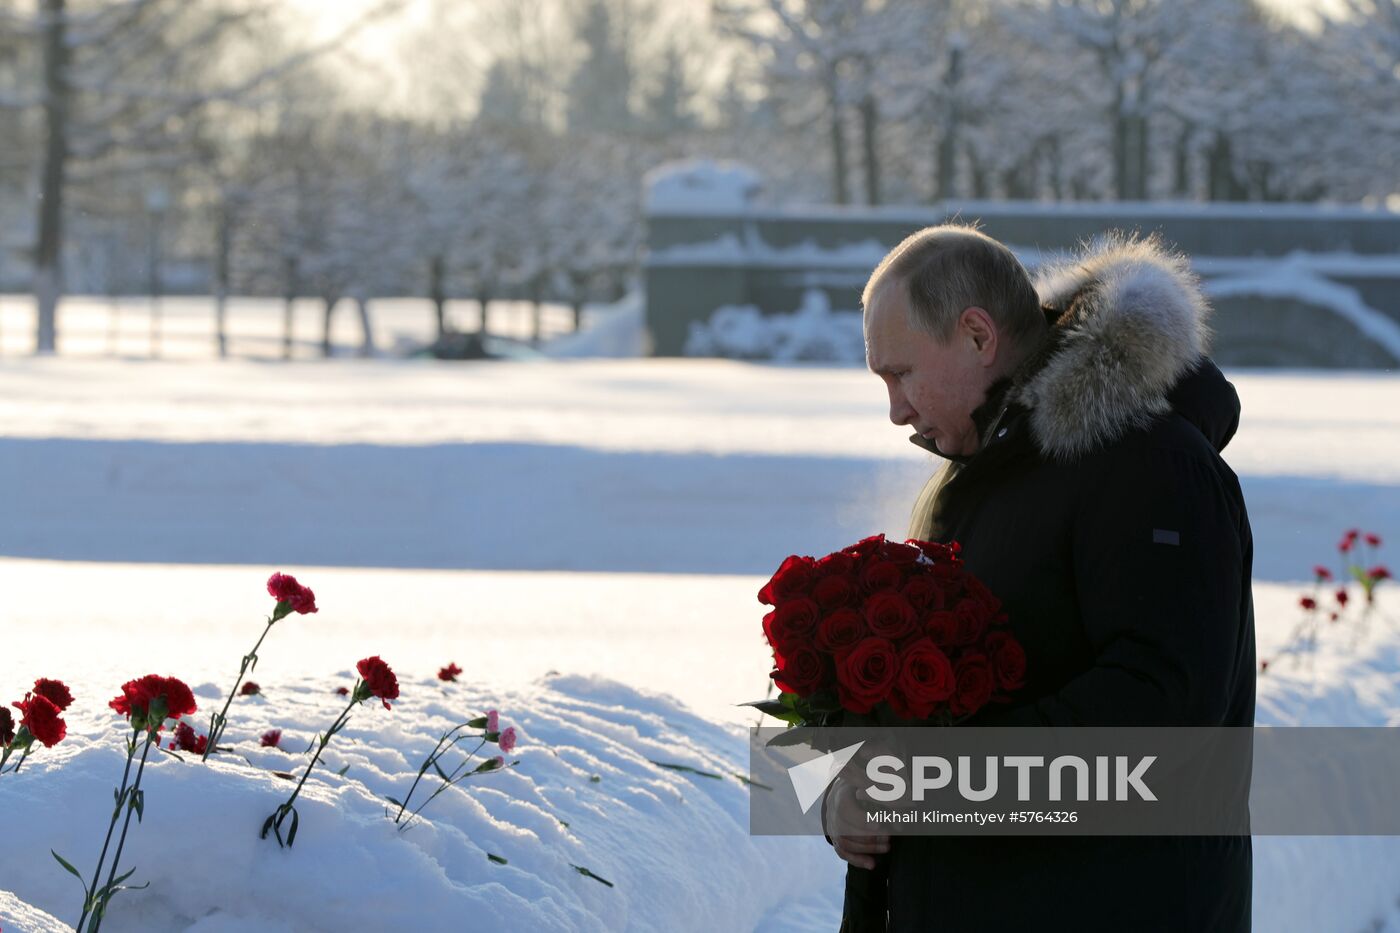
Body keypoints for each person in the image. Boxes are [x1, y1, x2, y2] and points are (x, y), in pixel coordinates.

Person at [825, 224, 1256, 932]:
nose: (896, 409)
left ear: (977, 335)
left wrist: (938, 784)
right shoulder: (983, 471)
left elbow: (1161, 712)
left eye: (900, 374)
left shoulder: (1152, 467)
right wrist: (849, 793)